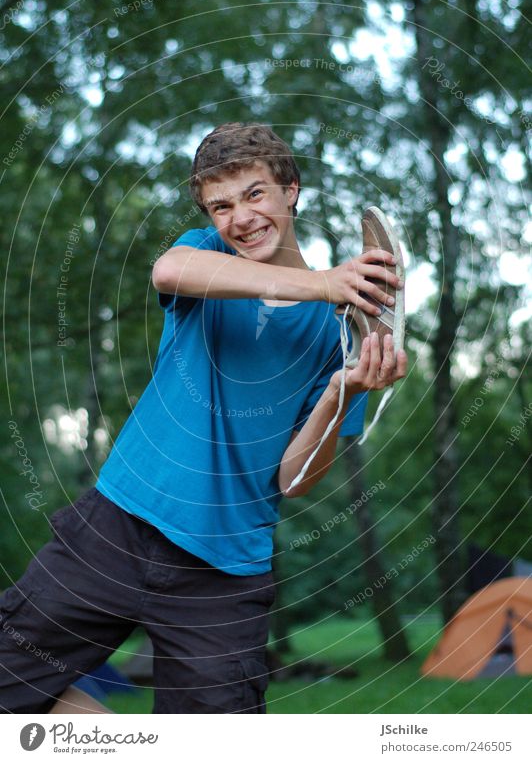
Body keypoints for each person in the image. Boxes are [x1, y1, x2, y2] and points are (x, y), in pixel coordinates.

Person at [0, 122, 406, 715]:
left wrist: (342, 393)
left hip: (224, 573)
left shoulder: (340, 337)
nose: (239, 218)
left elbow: (294, 480)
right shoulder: (209, 256)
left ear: (291, 189)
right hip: (116, 526)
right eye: (221, 205)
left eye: (255, 193)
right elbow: (168, 272)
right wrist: (321, 283)